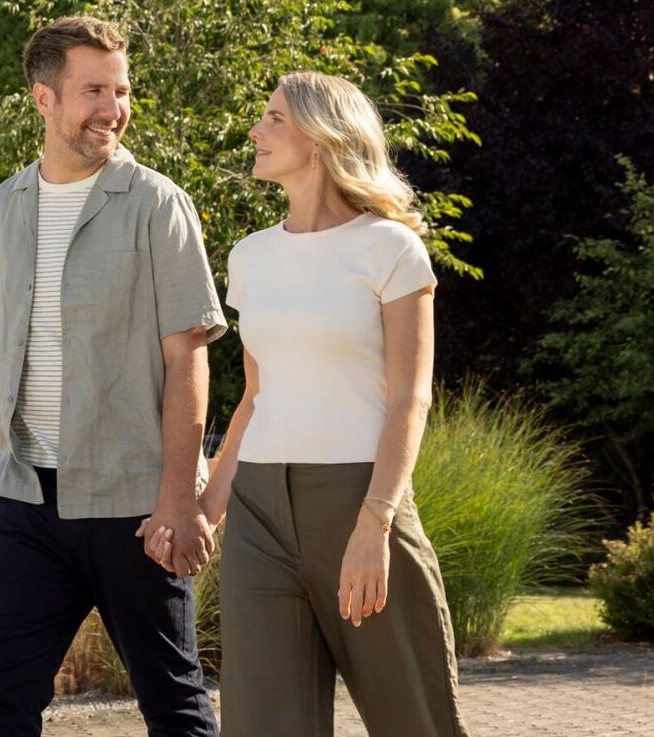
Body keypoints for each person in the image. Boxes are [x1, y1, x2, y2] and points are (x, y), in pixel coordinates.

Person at [167, 70, 468, 735]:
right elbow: (256, 396)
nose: (256, 129)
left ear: (324, 134)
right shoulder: (251, 257)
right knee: (265, 723)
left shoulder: (391, 249)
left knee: (413, 718)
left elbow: (409, 398)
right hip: (259, 512)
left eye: (274, 118)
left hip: (359, 496)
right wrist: (206, 509)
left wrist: (375, 522)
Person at [0, 16, 225, 737]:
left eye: (121, 89)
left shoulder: (156, 205)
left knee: (174, 705)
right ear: (44, 98)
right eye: (94, 90)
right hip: (26, 503)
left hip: (134, 499)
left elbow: (187, 356)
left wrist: (178, 495)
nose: (113, 107)